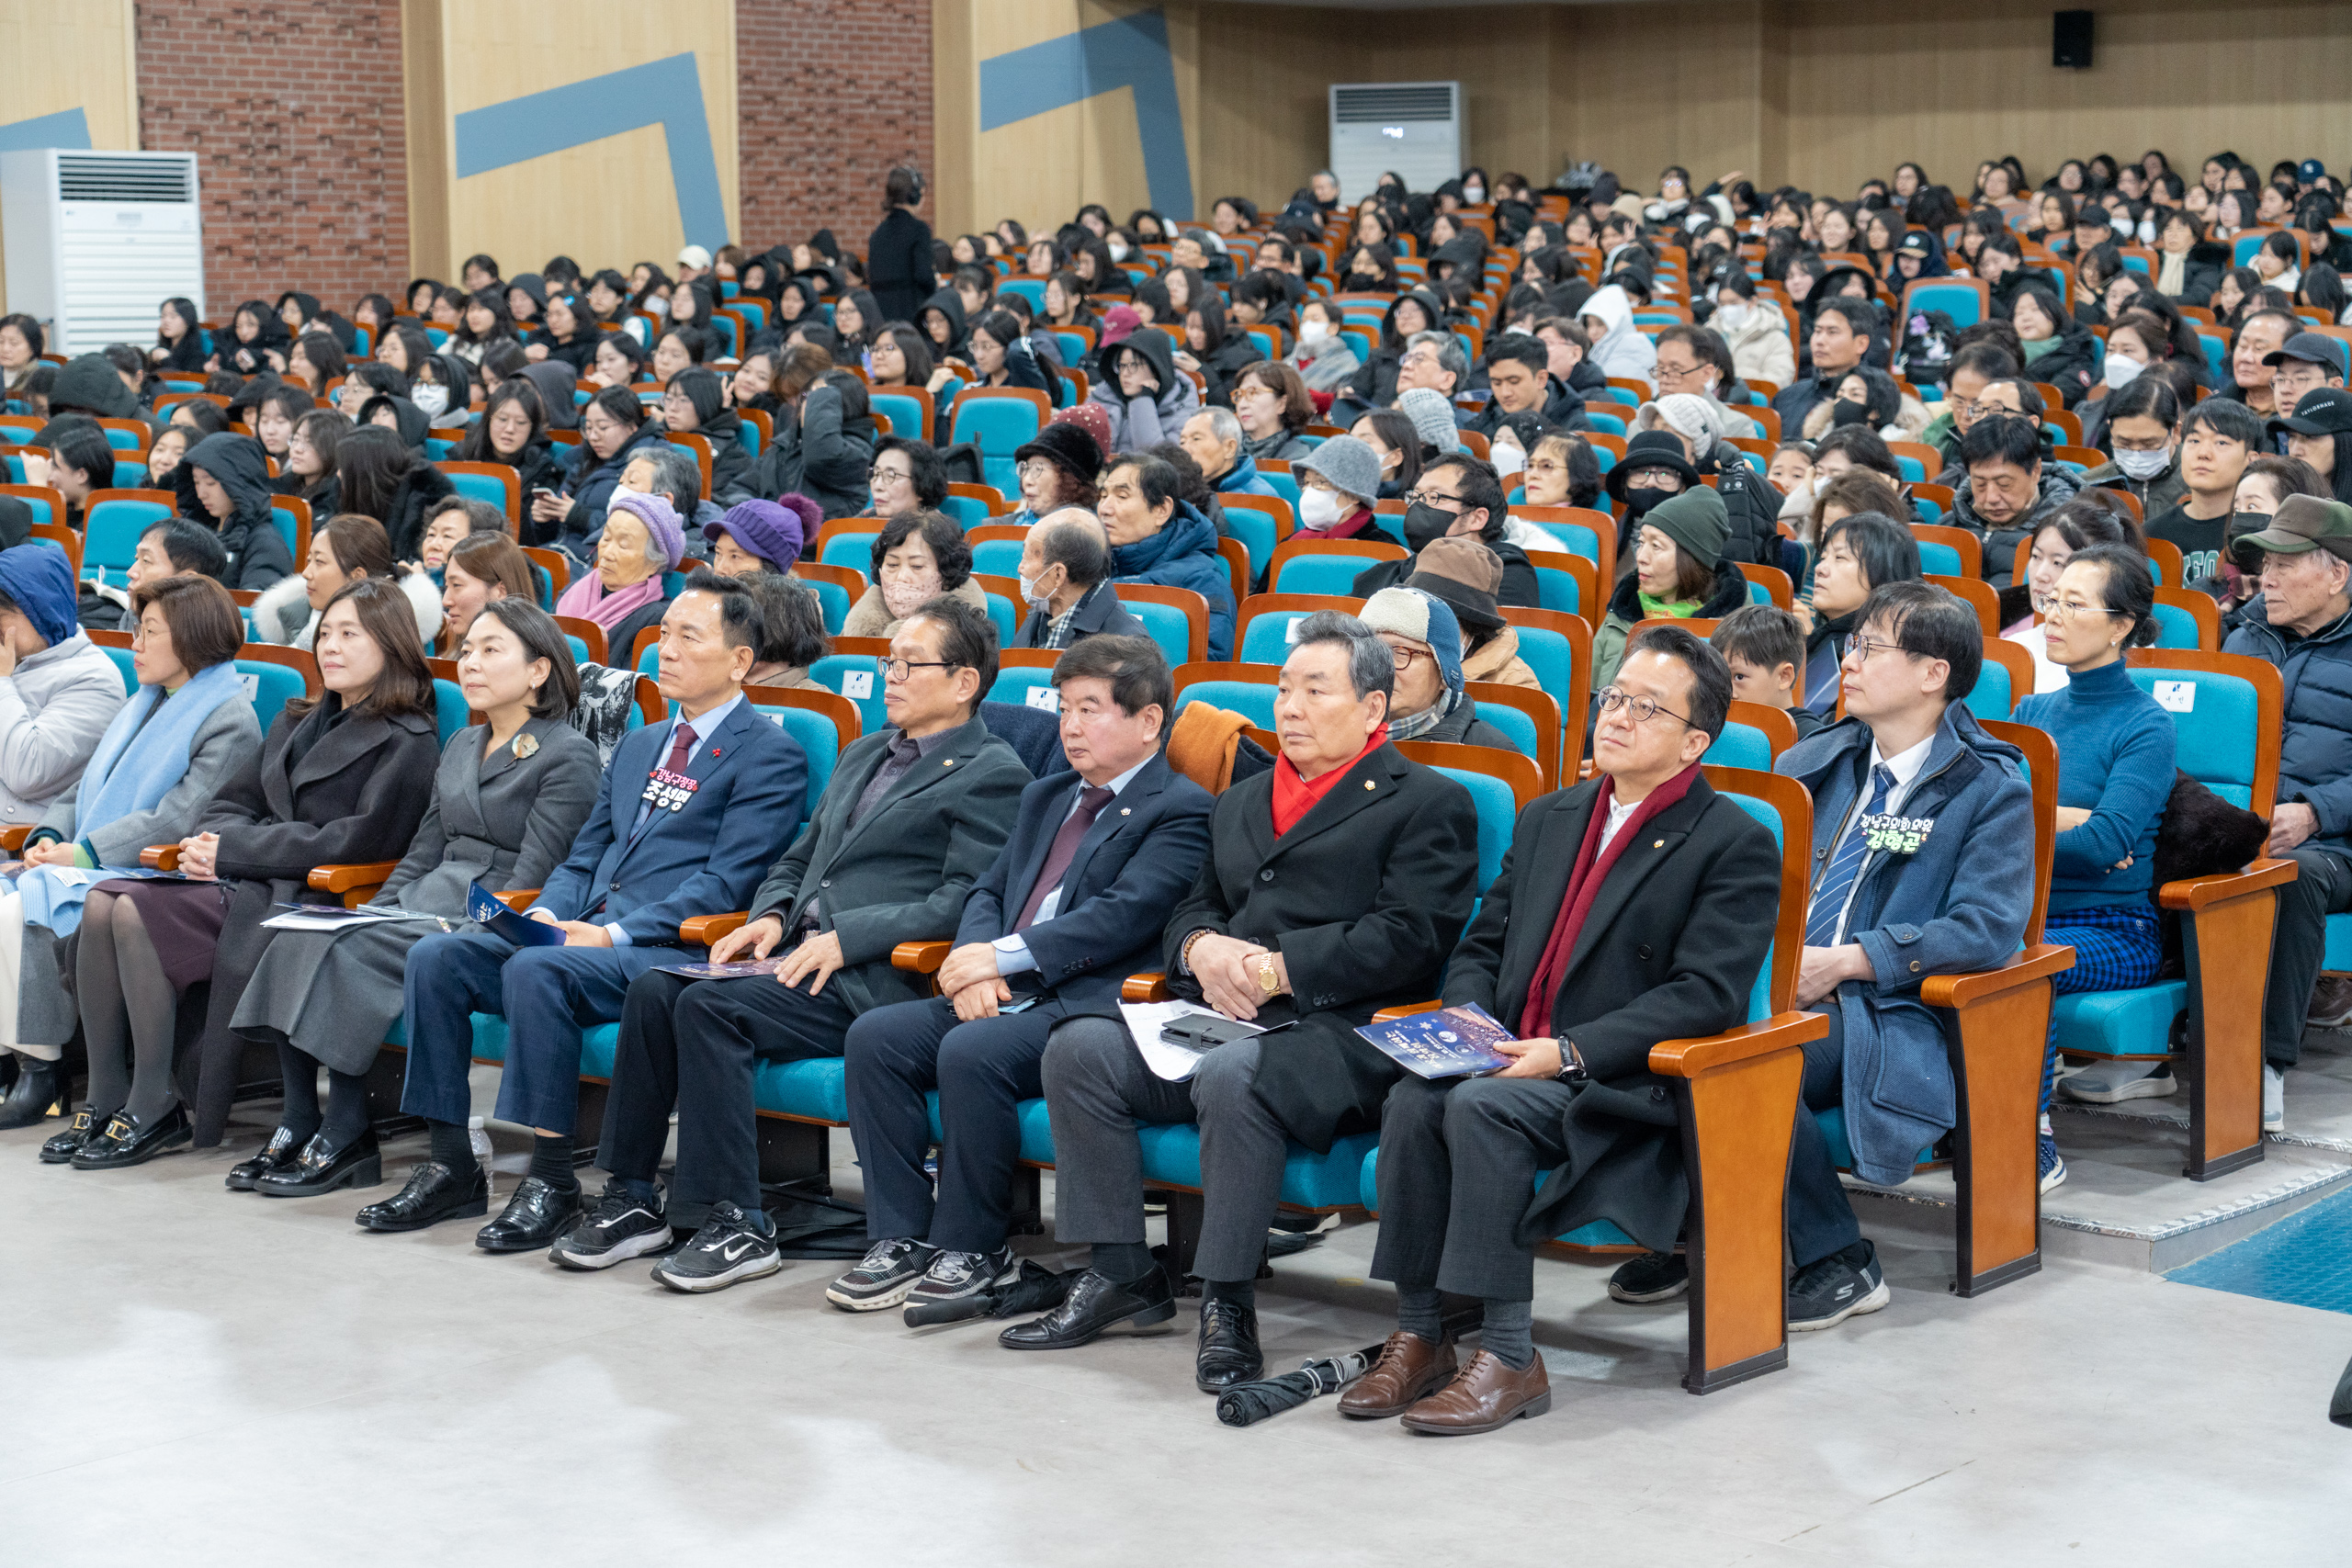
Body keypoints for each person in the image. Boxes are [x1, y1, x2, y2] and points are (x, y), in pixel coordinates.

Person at [1001, 612, 1477, 1391]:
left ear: (1371, 709)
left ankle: (1226, 1298)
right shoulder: (1241, 798)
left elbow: (1413, 937)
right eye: (1284, 687)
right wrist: (1201, 949)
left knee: (1234, 1076)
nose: (1288, 706)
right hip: (1221, 1012)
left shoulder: (1427, 801)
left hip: (1341, 1031)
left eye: (1314, 690)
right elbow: (1193, 908)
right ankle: (1123, 1269)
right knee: (1079, 1049)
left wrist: (1281, 970)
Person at [1351, 626, 1778, 1431]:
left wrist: (1569, 1052)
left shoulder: (1731, 842)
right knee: (1415, 1097)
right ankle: (1422, 1332)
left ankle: (1511, 1354)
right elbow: (1484, 940)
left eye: (1646, 708)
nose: (1615, 716)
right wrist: (1470, 1024)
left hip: (1621, 1087)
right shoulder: (1551, 815)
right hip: (1512, 1056)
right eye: (1613, 697)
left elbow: (1706, 995)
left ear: (1694, 742)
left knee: (1479, 1108)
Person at [560, 597, 1028, 1288]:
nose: (890, 676)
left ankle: (737, 1221)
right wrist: (773, 916)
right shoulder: (866, 752)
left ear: (963, 682)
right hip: (794, 958)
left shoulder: (993, 771)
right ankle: (633, 1194)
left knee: (709, 1008)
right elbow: (799, 856)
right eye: (887, 661)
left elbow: (963, 898)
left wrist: (847, 939)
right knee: (656, 985)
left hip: (873, 977)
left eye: (908, 664)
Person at [363, 572, 807, 1245]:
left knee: (537, 972)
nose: (668, 649)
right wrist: (547, 913)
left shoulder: (770, 754)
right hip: (587, 928)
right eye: (663, 634)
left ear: (740, 660)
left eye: (690, 636)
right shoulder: (638, 744)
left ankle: (551, 1179)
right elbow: (581, 857)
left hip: (667, 950)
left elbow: (727, 884)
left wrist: (609, 933)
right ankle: (451, 1163)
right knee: (438, 957)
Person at [817, 636, 1214, 1314]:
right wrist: (973, 964)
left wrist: (1001, 958)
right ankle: (900, 1233)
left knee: (973, 1050)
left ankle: (973, 1245)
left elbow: (1122, 917)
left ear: (1149, 721)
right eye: (1064, 708)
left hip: (1088, 1005)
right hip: (1004, 986)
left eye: (1091, 709)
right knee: (877, 1037)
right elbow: (986, 893)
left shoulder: (1180, 808)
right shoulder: (1048, 794)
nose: (1071, 725)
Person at [51, 579, 442, 1165]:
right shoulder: (296, 720)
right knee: (103, 899)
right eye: (325, 633)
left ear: (390, 645)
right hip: (243, 876)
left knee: (130, 908)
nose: (329, 646)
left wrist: (232, 850)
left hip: (304, 893)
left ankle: (156, 1100)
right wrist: (219, 841)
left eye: (349, 635)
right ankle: (107, 1094)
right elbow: (228, 802)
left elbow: (353, 840)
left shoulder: (408, 739)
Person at [225, 601, 602, 1197]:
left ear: (539, 671)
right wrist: (381, 907)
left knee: (350, 947)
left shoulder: (566, 754)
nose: (470, 663)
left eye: (491, 650)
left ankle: (347, 1131)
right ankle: (299, 1118)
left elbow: (539, 874)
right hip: (425, 901)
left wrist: (403, 923)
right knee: (300, 928)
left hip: (482, 917)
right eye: (467, 649)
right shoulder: (462, 744)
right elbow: (424, 850)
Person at [1768, 581, 2034, 1327]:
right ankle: (1698, 1231)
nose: (1847, 662)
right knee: (1666, 1039)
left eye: (1870, 648)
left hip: (1884, 1007)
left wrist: (1851, 960)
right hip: (1780, 984)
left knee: (1752, 1066)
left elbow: (1987, 927)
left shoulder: (1989, 787)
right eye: (1850, 646)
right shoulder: (1814, 762)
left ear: (1933, 671)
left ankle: (1838, 1260)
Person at [0, 576, 259, 1130]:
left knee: (16, 908)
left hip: (155, 871)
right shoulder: (145, 700)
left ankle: (40, 1066)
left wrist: (85, 853)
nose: (134, 645)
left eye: (148, 632)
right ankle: (9, 1057)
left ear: (189, 639)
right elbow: (85, 785)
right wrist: (48, 835)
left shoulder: (228, 718)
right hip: (97, 857)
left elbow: (178, 817)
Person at [2003, 548, 2173, 1179]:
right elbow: (1993, 823)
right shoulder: (2031, 714)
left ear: (2122, 624)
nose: (2053, 615)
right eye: (2053, 600)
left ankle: (2031, 1135)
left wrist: (2058, 825)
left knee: (2026, 962)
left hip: (2116, 927)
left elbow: (2107, 846)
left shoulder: (2145, 723)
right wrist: (2076, 821)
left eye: (2076, 604)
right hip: (2029, 911)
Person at [2218, 497, 2352, 1130]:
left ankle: (2263, 1065)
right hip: (2239, 822)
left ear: (2337, 573)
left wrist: (2317, 811)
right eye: (2262, 564)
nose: (2263, 578)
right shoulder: (2245, 637)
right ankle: (2156, 1041)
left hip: (2336, 843)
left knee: (2292, 873)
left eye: (2282, 564)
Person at [1593, 488, 1753, 691]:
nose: (1641, 557)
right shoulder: (1624, 605)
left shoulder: (1734, 626)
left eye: (1656, 546)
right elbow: (1591, 694)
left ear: (1692, 558)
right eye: (1641, 543)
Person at [1349, 453, 1539, 610]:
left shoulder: (1506, 574)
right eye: (1415, 496)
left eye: (1434, 497)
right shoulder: (1390, 572)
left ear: (1477, 518)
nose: (1418, 506)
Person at [1099, 452, 1237, 661]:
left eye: (1122, 497)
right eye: (1103, 496)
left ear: (1161, 510)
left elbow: (1206, 667)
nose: (1105, 509)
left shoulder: (1202, 579)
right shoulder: (1089, 564)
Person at [253, 513, 442, 652]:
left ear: (357, 577)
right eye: (309, 561)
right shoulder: (296, 615)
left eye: (319, 562)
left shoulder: (398, 642)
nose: (306, 574)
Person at [1357, 587, 1516, 747]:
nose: (1382, 668)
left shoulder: (1492, 754)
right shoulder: (1335, 736)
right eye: (1371, 651)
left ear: (1444, 674)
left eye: (1401, 654)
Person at [1798, 509, 1921, 712]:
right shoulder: (1824, 638)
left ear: (1881, 574)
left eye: (1839, 558)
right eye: (1823, 557)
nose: (1820, 568)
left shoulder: (1879, 659)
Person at [1951, 414, 2085, 587]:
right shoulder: (1954, 521)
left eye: (2004, 484)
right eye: (1980, 484)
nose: (1991, 498)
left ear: (2036, 471)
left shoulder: (2071, 534)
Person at [555, 489, 687, 660]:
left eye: (624, 545)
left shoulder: (656, 622)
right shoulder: (573, 591)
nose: (607, 554)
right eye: (607, 538)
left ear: (654, 564)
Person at [2146, 397, 2262, 583]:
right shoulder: (2151, 534)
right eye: (2194, 440)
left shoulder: (2257, 535)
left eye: (2221, 443)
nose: (2203, 453)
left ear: (2251, 460)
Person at [172, 431, 295, 592]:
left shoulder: (265, 543)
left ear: (239, 484)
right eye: (196, 482)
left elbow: (252, 604)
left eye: (210, 483)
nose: (201, 493)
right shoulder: (196, 529)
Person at [842, 508, 989, 638]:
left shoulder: (966, 635)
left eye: (917, 566)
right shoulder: (858, 623)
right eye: (892, 565)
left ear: (946, 574)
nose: (901, 577)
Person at [1013, 507, 1148, 649]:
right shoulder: (1041, 613)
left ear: (1058, 574)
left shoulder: (1125, 645)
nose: (1020, 568)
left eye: (1026, 557)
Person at [1712, 604, 1827, 739]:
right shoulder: (1713, 724)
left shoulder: (1811, 739)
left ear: (1784, 676)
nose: (1727, 691)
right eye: (1719, 675)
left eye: (1739, 677)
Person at [2079, 378, 2187, 517]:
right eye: (2124, 443)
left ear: (2176, 432)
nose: (2136, 454)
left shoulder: (2201, 485)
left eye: (2149, 444)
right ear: (2111, 431)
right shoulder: (2091, 485)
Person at [1773, 298, 1875, 434]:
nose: (1819, 341)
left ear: (1861, 344)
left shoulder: (1875, 401)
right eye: (1817, 331)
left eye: (1832, 332)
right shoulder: (1786, 397)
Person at [1090, 331, 1200, 452]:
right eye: (1122, 365)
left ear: (1156, 368)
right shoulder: (1104, 394)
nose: (1125, 374)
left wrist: (1142, 400)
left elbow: (1155, 460)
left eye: (1134, 365)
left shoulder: (1181, 405)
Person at [1290, 434, 1402, 548]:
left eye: (1320, 482)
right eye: (1307, 483)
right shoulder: (1292, 544)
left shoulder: (1383, 550)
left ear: (1354, 496)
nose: (1309, 491)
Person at [1006, 422, 1102, 527]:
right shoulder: (997, 530)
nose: (1027, 481)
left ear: (1072, 481)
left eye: (1039, 469)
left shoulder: (1090, 536)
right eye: (1026, 468)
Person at [1175, 407, 1279, 499]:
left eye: (1196, 439)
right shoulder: (1178, 492)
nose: (1185, 449)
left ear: (1229, 448)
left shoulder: (1260, 498)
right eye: (1182, 442)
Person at [2276, 388, 2352, 506]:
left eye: (2310, 436)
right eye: (2291, 436)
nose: (2295, 451)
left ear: (2346, 442)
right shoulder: (2279, 496)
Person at [703, 496, 806, 579]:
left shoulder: (788, 605)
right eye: (718, 553)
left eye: (735, 556)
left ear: (771, 570)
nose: (719, 569)